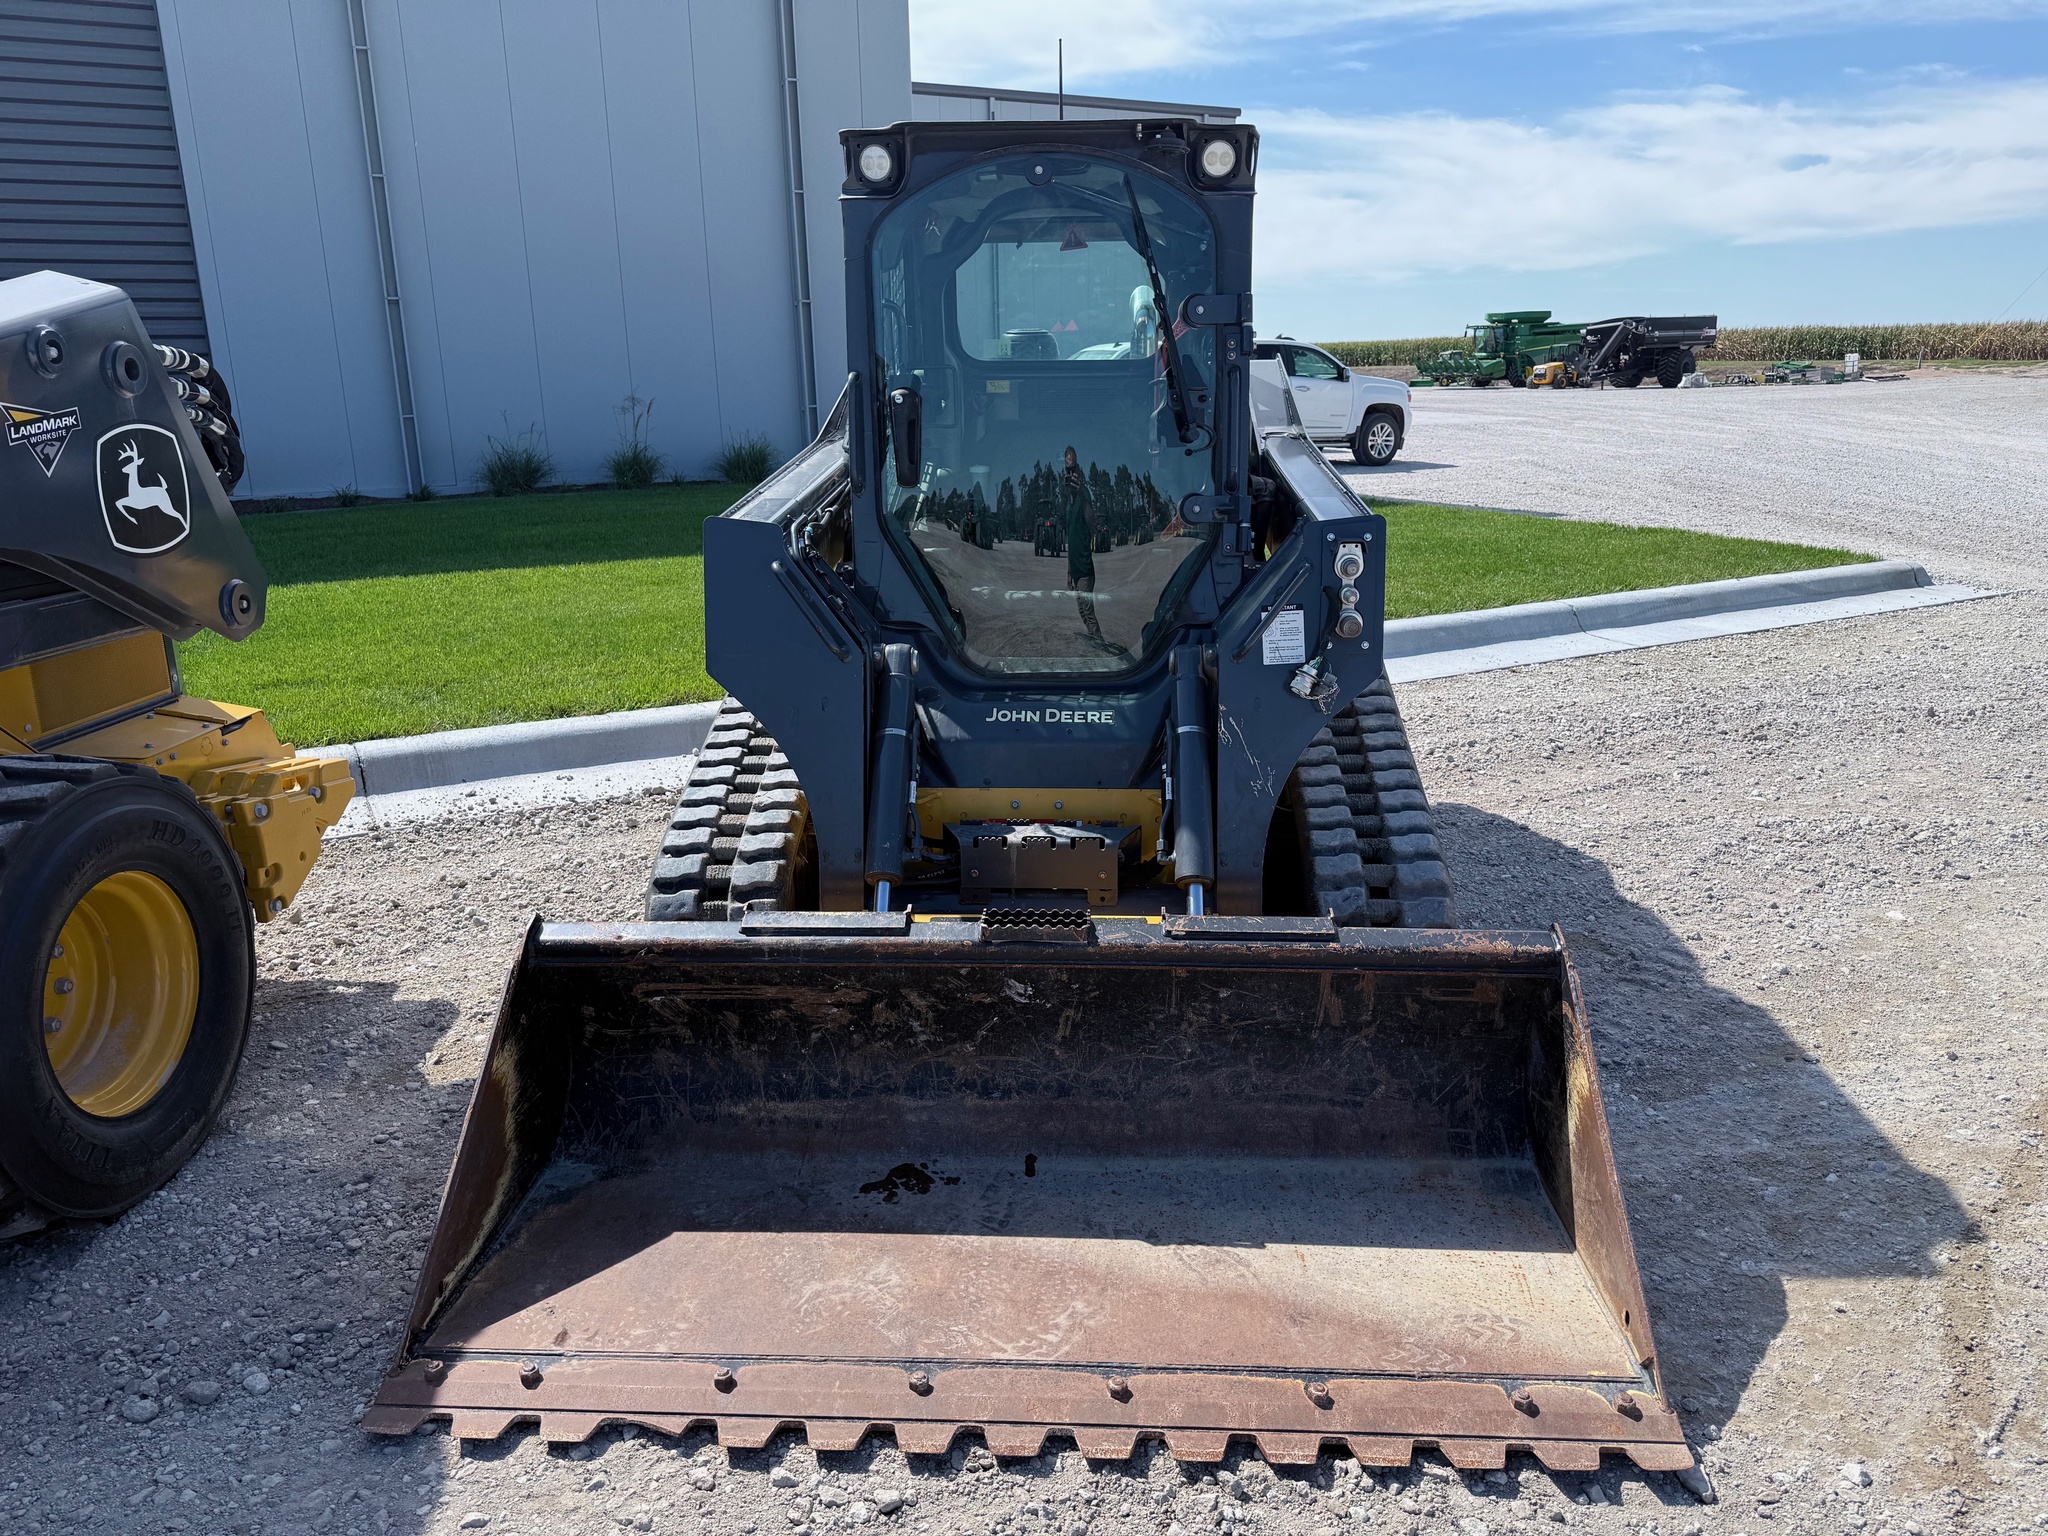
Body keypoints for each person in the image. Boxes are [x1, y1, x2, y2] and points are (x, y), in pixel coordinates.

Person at [1060, 446, 1120, 653]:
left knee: (1088, 611)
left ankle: (1101, 646)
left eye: (1073, 469)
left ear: (1078, 471)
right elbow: (1070, 538)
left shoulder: (1083, 494)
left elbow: (1092, 523)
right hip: (1075, 568)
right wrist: (1068, 570)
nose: (1070, 474)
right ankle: (1095, 641)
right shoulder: (1067, 503)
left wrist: (1083, 496)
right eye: (1067, 470)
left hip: (1085, 568)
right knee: (1081, 611)